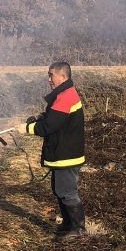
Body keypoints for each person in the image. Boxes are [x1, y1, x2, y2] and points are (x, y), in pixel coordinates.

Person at [19, 61, 86, 237]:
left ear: (63, 77)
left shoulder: (66, 97)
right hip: (63, 152)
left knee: (67, 192)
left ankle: (78, 229)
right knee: (60, 190)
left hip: (66, 154)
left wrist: (27, 128)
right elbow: (53, 118)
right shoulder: (65, 94)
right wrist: (39, 119)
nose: (49, 79)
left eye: (51, 75)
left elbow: (49, 127)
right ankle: (67, 224)